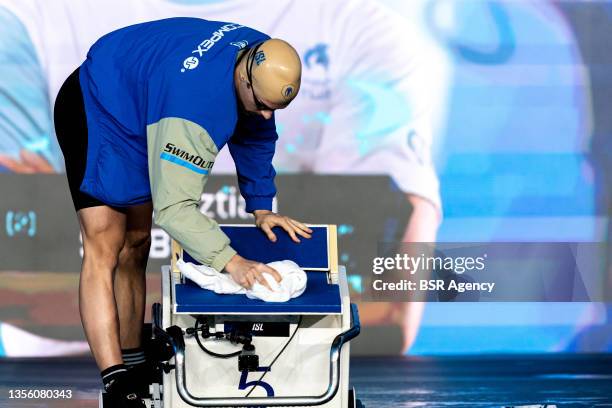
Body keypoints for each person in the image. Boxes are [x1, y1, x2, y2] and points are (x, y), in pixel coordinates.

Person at [53, 17, 311, 407]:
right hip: (99, 102)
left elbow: (257, 134)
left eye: (274, 109)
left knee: (137, 243)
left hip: (144, 101)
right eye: (260, 105)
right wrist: (231, 262)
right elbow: (174, 210)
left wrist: (260, 207)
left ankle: (136, 362)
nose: (264, 115)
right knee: (105, 242)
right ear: (245, 78)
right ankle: (117, 382)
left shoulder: (263, 56)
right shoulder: (194, 107)